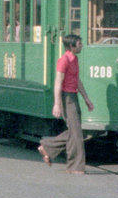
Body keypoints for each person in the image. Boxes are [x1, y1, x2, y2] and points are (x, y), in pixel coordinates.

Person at [38, 34, 94, 174]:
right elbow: (58, 82)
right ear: (71, 46)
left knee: (75, 131)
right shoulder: (64, 60)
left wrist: (86, 99)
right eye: (79, 43)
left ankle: (47, 147)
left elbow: (77, 81)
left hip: (73, 96)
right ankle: (76, 167)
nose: (81, 45)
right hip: (66, 97)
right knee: (76, 133)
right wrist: (57, 104)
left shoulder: (75, 59)